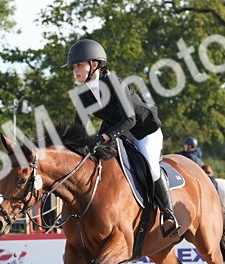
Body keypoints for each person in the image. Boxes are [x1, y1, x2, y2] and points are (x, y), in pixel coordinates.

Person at [64, 38, 178, 234]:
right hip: (118, 132)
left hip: (143, 131)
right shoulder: (83, 94)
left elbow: (130, 119)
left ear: (95, 64)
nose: (75, 70)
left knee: (150, 166)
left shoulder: (114, 84)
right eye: (74, 66)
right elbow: (79, 129)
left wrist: (106, 137)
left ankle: (168, 214)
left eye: (79, 65)